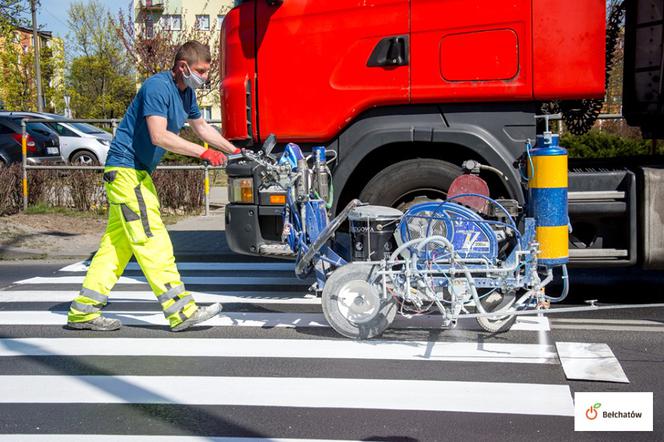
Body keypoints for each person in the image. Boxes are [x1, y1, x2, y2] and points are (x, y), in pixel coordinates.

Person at [67, 41, 237, 332]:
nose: (205, 77)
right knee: (153, 240)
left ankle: (83, 310)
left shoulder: (186, 94)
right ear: (183, 66)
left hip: (136, 173)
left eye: (207, 71)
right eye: (201, 70)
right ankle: (181, 310)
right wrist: (203, 152)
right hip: (126, 171)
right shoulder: (157, 87)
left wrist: (234, 151)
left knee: (115, 248)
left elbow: (203, 128)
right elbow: (158, 136)